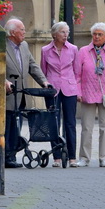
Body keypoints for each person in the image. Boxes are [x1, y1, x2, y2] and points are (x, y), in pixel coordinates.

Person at [73, 22, 105, 167]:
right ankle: (84, 158)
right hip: (87, 92)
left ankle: (104, 158)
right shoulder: (83, 51)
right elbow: (77, 74)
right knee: (87, 127)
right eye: (94, 34)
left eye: (100, 34)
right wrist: (78, 92)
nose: (96, 37)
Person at [5, 18, 49, 168]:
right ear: (12, 33)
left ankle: (11, 155)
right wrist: (4, 81)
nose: (24, 32)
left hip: (20, 94)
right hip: (7, 94)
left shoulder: (24, 45)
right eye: (21, 30)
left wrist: (44, 82)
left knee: (16, 126)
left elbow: (32, 65)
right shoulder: (1, 45)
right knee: (7, 125)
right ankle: (5, 156)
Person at [40, 21, 79, 167]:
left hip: (70, 89)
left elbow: (77, 72)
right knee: (54, 123)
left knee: (70, 123)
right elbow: (43, 72)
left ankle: (72, 157)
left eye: (67, 32)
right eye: (63, 32)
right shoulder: (45, 50)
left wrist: (77, 89)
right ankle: (56, 157)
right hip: (53, 89)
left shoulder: (73, 49)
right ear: (55, 34)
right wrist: (46, 87)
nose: (66, 35)